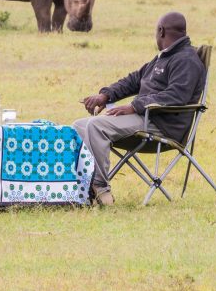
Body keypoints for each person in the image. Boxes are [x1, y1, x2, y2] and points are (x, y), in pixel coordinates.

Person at [73, 12, 206, 206]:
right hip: (145, 118)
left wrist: (134, 106)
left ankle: (101, 189)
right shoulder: (164, 57)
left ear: (161, 31)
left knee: (96, 126)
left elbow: (177, 96)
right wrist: (106, 95)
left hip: (162, 125)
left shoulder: (186, 60)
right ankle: (85, 186)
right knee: (79, 126)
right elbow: (135, 79)